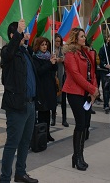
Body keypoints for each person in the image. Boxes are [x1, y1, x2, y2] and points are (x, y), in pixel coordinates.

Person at [0, 19, 38, 183]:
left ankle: (20, 173)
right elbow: (8, 53)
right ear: (12, 35)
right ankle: (4, 178)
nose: (24, 34)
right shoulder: (9, 51)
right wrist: (18, 35)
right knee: (12, 143)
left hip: (30, 104)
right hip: (16, 105)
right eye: (20, 32)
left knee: (25, 142)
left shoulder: (24, 52)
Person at [62, 28, 98, 171]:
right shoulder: (70, 54)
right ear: (75, 38)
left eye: (84, 36)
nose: (84, 38)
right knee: (80, 123)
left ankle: (80, 156)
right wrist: (92, 89)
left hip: (87, 93)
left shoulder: (86, 52)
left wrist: (93, 90)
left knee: (85, 124)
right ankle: (77, 156)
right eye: (82, 36)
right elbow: (76, 76)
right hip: (75, 93)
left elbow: (92, 73)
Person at [32, 36, 57, 142]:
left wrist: (54, 62)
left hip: (50, 87)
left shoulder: (48, 56)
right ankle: (41, 133)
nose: (44, 46)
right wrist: (49, 63)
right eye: (42, 45)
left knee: (48, 111)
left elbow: (54, 69)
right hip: (41, 88)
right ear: (38, 46)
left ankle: (47, 133)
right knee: (42, 112)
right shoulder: (35, 58)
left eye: (46, 44)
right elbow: (39, 71)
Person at [53, 33, 69, 127]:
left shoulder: (63, 50)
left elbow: (67, 61)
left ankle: (64, 119)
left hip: (62, 76)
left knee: (63, 99)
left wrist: (63, 59)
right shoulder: (51, 50)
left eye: (59, 41)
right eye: (56, 41)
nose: (58, 43)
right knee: (54, 99)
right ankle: (53, 118)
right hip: (54, 77)